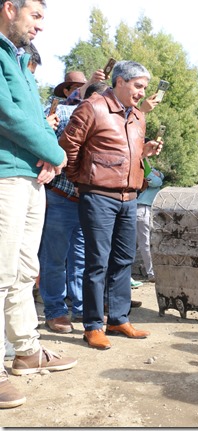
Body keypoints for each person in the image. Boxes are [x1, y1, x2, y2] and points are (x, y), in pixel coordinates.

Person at [0, 0, 77, 409]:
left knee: (24, 269)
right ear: (10, 8)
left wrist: (43, 157)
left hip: (28, 175)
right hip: (5, 176)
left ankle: (26, 351)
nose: (41, 27)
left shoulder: (18, 60)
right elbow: (7, 116)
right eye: (36, 15)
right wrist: (55, 152)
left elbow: (30, 119)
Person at [59, 60, 163, 350]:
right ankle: (93, 325)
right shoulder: (92, 107)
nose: (142, 93)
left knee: (123, 260)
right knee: (97, 262)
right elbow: (68, 148)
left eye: (144, 87)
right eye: (138, 86)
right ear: (120, 82)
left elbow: (126, 154)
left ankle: (118, 318)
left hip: (129, 198)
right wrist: (83, 181)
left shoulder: (137, 117)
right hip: (98, 197)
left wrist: (144, 151)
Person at [37, 77, 106, 334]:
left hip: (88, 201)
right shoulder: (62, 114)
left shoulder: (108, 118)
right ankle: (55, 311)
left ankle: (79, 307)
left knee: (81, 258)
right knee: (54, 258)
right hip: (60, 197)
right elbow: (39, 139)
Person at [136, 160, 164, 282]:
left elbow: (160, 176)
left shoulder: (148, 169)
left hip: (145, 209)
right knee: (144, 243)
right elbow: (157, 181)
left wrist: (154, 173)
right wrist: (154, 174)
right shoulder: (142, 167)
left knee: (142, 242)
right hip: (141, 208)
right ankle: (151, 273)